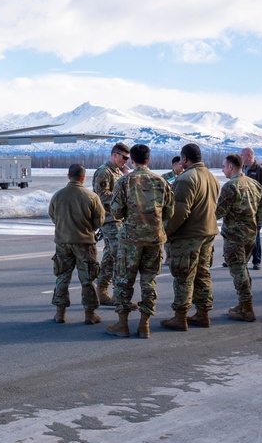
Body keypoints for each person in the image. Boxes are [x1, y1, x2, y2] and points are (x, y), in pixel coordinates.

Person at [105, 144, 174, 339]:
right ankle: (145, 324)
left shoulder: (125, 181)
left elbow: (116, 212)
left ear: (132, 161)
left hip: (130, 240)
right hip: (154, 239)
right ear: (149, 160)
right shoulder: (161, 182)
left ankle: (123, 324)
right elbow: (169, 212)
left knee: (123, 281)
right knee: (148, 281)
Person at [162, 143, 221, 331]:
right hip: (208, 233)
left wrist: (166, 232)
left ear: (185, 159)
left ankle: (180, 316)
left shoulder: (186, 179)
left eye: (181, 159)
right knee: (203, 274)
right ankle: (203, 313)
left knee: (184, 276)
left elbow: (179, 212)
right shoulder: (211, 177)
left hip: (189, 236)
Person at [49, 163, 105, 324]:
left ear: (68, 176)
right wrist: (87, 228)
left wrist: (65, 228)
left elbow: (53, 216)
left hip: (62, 242)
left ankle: (60, 313)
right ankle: (89, 314)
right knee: (87, 279)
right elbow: (99, 220)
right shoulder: (91, 197)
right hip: (85, 243)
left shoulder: (58, 196)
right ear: (83, 177)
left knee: (62, 277)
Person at [216, 154, 262, 322]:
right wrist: (255, 227)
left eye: (223, 166)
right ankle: (243, 304)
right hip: (250, 235)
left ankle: (247, 308)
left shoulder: (230, 187)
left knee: (238, 272)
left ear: (231, 167)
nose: (222, 170)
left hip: (234, 237)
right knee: (243, 270)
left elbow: (219, 212)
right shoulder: (255, 184)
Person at [91, 142, 131, 305]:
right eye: (124, 157)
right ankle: (119, 296)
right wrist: (122, 202)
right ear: (115, 155)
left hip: (118, 219)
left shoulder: (116, 172)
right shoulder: (103, 172)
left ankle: (101, 290)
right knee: (119, 256)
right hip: (109, 220)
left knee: (110, 256)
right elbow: (101, 196)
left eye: (128, 158)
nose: (126, 161)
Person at [239, 148, 262, 270]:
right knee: (239, 234)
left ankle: (256, 260)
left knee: (255, 234)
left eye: (242, 155)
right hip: (242, 208)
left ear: (250, 155)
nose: (240, 157)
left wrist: (257, 203)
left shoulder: (260, 170)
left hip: (255, 208)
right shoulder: (241, 170)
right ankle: (239, 259)